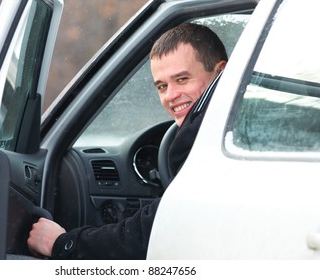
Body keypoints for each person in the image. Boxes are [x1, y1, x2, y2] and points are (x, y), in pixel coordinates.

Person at [27, 22, 227, 259]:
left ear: (221, 73)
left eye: (182, 79)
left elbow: (155, 233)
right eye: (162, 86)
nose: (170, 96)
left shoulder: (207, 142)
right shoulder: (228, 130)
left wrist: (63, 243)